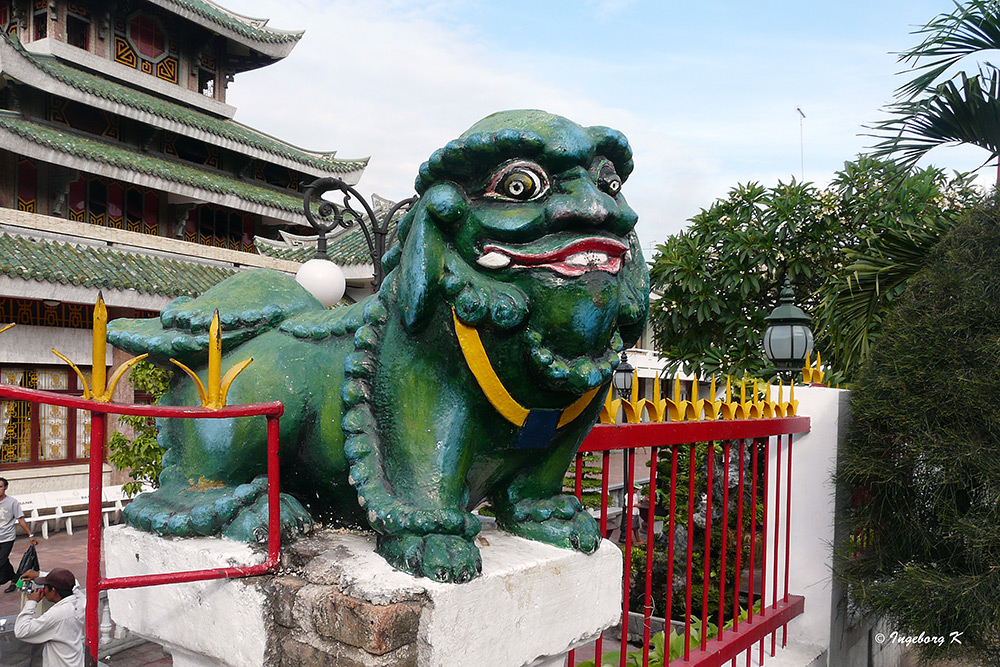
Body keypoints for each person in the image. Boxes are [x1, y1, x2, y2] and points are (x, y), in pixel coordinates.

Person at [14, 567, 86, 667]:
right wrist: (38, 574)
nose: (43, 589)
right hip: (76, 662)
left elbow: (21, 631)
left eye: (45, 586)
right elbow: (74, 583)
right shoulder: (79, 601)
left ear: (53, 590)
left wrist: (31, 602)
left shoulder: (57, 614)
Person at [0, 477, 39, 592]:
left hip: (7, 537)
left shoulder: (12, 502)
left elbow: (20, 519)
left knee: (1, 561)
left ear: (5, 488)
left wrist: (30, 535)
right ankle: (14, 578)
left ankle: (7, 579)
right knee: (4, 561)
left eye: (0, 487)